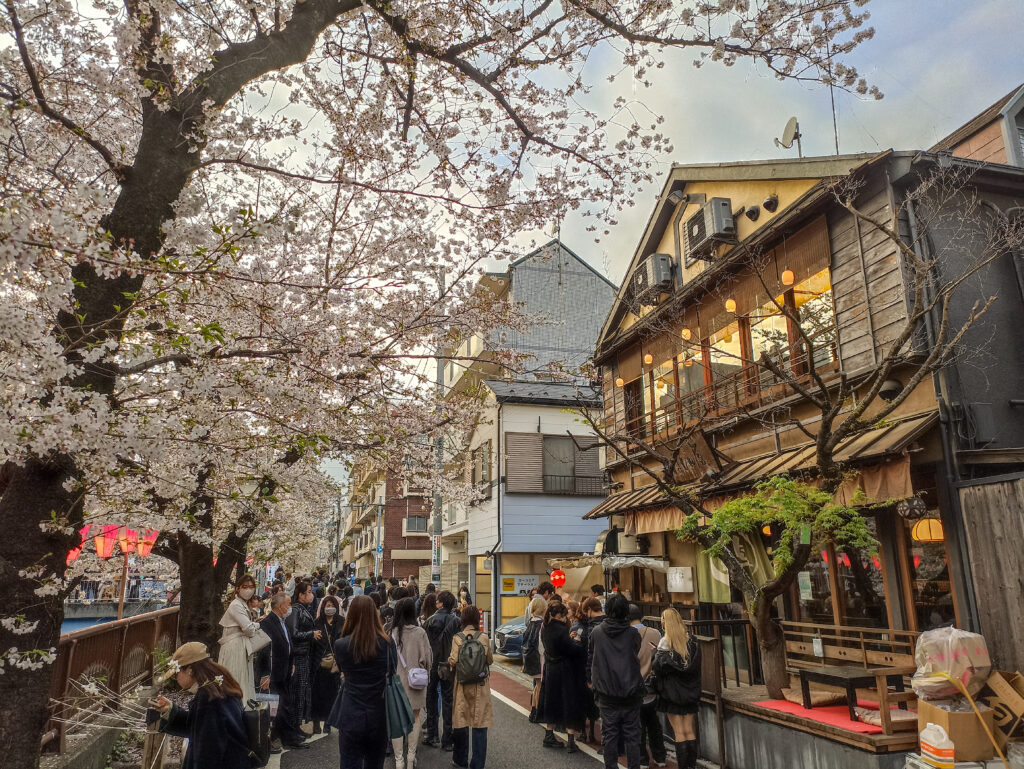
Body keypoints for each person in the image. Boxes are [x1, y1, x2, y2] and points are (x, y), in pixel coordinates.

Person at [153, 642, 250, 769]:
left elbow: (208, 751)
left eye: (177, 673)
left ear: (190, 670)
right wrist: (170, 710)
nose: (176, 679)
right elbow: (199, 726)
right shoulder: (217, 686)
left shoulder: (209, 698)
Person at [333, 595, 398, 769]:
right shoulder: (387, 643)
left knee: (349, 762)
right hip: (378, 714)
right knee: (375, 763)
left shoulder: (341, 645)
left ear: (351, 615)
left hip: (350, 712)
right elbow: (392, 670)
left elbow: (342, 670)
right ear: (374, 614)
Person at [589, 593, 643, 769]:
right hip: (630, 691)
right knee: (632, 736)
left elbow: (591, 656)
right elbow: (636, 651)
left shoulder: (597, 632)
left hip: (606, 692)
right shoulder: (633, 634)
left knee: (609, 735)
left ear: (608, 610)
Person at [256, 591, 307, 750]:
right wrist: (265, 674)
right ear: (280, 606)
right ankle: (278, 738)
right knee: (276, 708)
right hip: (273, 673)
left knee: (284, 705)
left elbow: (287, 644)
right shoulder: (267, 623)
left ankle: (287, 736)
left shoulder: (282, 621)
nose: (290, 607)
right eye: (288, 604)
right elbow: (264, 650)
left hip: (285, 670)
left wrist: (292, 663)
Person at [653, 608, 702, 769]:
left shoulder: (664, 643)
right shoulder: (692, 642)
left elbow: (658, 668)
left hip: (672, 693)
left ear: (665, 623)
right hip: (690, 691)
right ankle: (691, 766)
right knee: (689, 730)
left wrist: (655, 654)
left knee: (679, 732)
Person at [536, 601, 586, 752]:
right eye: (564, 616)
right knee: (568, 702)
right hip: (564, 670)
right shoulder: (561, 629)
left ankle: (549, 734)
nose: (566, 618)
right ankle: (571, 741)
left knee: (551, 701)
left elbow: (554, 646)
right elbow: (570, 650)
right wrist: (577, 643)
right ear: (559, 615)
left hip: (550, 669)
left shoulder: (545, 627)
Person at [391, 597, 433, 769]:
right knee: (415, 718)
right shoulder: (420, 632)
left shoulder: (392, 633)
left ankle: (398, 760)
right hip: (415, 683)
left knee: (397, 720)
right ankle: (410, 757)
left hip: (396, 683)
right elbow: (428, 659)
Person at [449, 605, 493, 769]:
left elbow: (453, 660)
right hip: (480, 685)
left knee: (461, 722)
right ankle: (477, 764)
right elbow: (489, 660)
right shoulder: (484, 637)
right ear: (477, 619)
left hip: (462, 685)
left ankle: (460, 760)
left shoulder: (457, 637)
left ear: (463, 619)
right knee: (480, 724)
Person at [423, 590, 460, 750]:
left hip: (432, 664)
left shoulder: (429, 621)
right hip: (448, 664)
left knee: (431, 699)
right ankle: (448, 740)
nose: (435, 602)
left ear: (441, 604)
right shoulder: (456, 621)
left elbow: (424, 645)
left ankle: (432, 735)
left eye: (437, 601)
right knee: (448, 701)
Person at [629, 604, 666, 769]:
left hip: (633, 687)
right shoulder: (656, 633)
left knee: (638, 726)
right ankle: (660, 757)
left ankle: (643, 759)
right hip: (652, 685)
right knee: (654, 724)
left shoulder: (625, 636)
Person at [217, 574, 262, 702]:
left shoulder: (242, 604)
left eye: (251, 587)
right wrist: (257, 625)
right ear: (238, 588)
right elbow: (249, 629)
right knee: (235, 677)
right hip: (234, 647)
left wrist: (252, 625)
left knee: (241, 678)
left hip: (240, 646)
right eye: (245, 587)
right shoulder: (236, 605)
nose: (248, 590)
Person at [288, 580, 321, 727]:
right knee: (298, 692)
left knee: (302, 691)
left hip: (305, 654)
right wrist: (311, 634)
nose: (311, 595)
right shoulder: (296, 610)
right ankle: (294, 726)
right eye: (308, 592)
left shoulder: (303, 608)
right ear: (301, 595)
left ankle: (298, 725)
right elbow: (293, 633)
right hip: (299, 655)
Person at [311, 594, 344, 735]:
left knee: (332, 695)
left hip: (335, 664)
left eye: (332, 606)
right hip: (319, 663)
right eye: (327, 605)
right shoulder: (317, 622)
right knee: (317, 695)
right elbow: (312, 645)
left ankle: (328, 723)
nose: (329, 608)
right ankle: (316, 721)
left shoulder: (342, 621)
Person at [579, 596, 606, 743]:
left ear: (589, 610)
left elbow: (590, 653)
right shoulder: (609, 622)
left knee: (593, 703)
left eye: (586, 612)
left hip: (595, 670)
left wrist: (588, 676)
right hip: (610, 671)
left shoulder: (593, 626)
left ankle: (603, 741)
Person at [521, 596, 545, 722]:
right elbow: (541, 647)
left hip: (530, 659)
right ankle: (538, 713)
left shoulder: (530, 623)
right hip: (539, 659)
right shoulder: (541, 624)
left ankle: (533, 710)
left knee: (537, 685)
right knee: (540, 686)